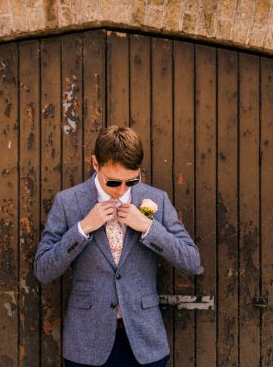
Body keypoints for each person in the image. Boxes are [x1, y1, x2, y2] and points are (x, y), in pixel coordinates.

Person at [33, 125, 201, 367]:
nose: (122, 190)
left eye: (131, 181)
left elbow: (192, 261)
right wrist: (82, 229)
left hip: (144, 343)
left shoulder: (157, 199)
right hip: (87, 343)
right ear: (95, 164)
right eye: (113, 182)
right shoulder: (68, 202)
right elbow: (43, 269)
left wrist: (148, 228)